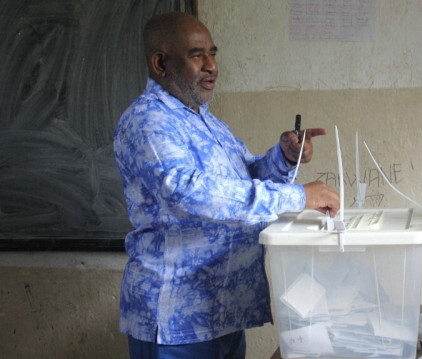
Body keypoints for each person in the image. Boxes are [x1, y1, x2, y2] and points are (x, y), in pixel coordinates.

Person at [113, 12, 340, 358]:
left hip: (223, 311)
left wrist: (283, 157)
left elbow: (243, 176)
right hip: (177, 322)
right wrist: (297, 196)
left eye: (213, 54)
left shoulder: (206, 121)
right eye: (196, 55)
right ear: (160, 63)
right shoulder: (147, 121)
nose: (212, 66)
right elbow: (189, 194)